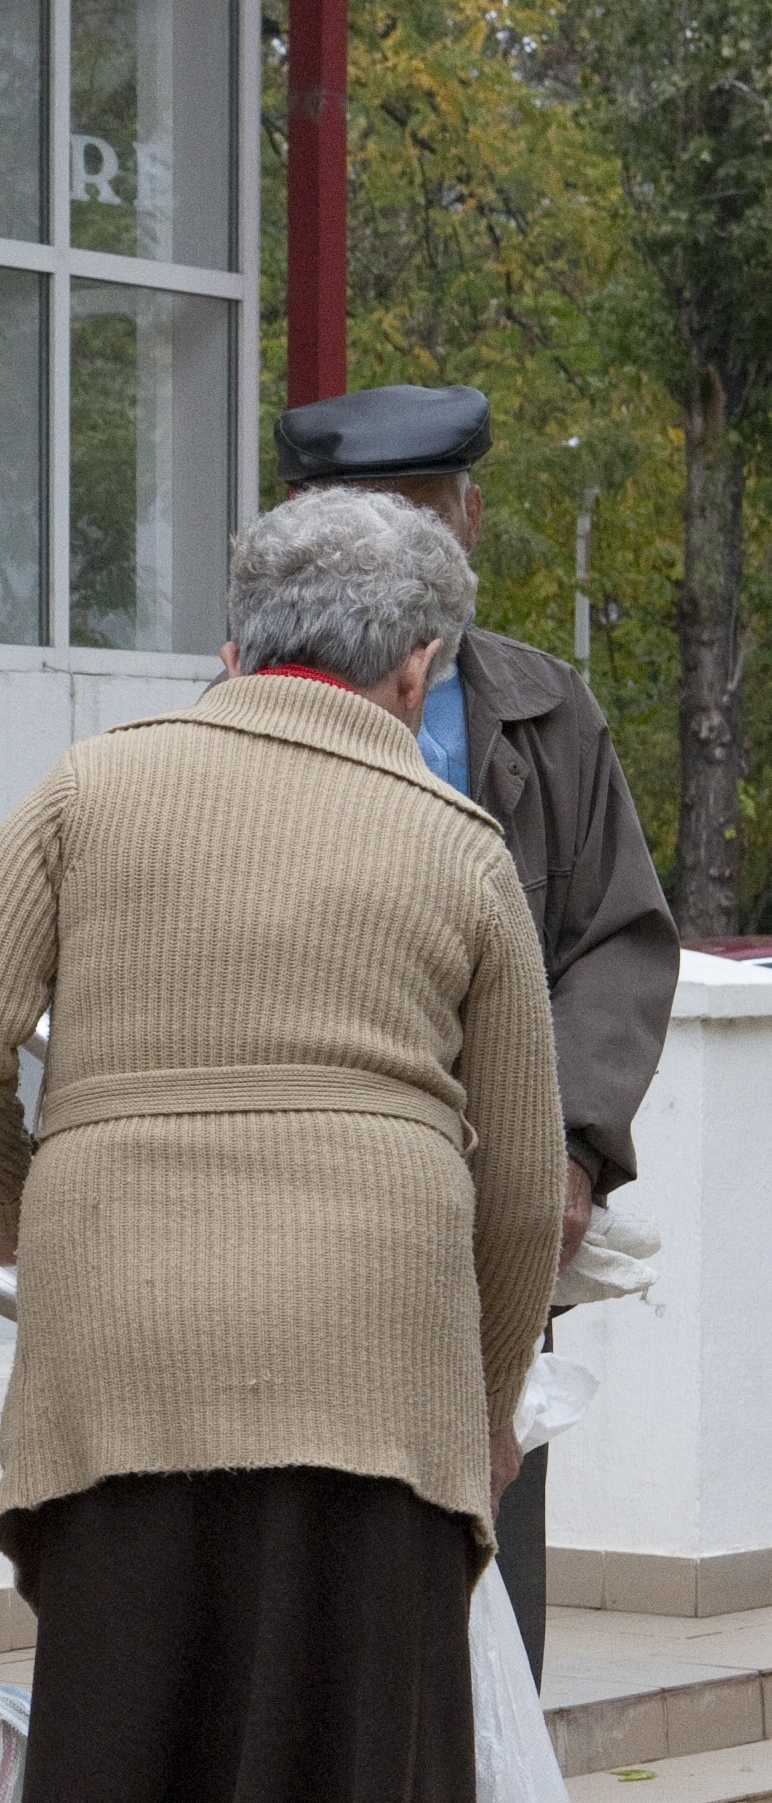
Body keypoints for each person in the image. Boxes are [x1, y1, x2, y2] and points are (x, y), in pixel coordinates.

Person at [0, 490, 564, 1803]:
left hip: (122, 1342)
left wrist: (40, 1219)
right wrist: (483, 1400)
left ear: (232, 632)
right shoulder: (450, 841)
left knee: (129, 1742)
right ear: (416, 667)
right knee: (377, 1772)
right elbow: (518, 1186)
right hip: (371, 1349)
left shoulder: (90, 789)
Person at [276, 384, 680, 1677]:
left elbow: (618, 934)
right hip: (303, 1204)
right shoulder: (245, 703)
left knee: (488, 1560)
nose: (404, 549)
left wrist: (562, 1141)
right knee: (321, 1559)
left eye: (425, 517)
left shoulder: (540, 708)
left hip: (493, 1217)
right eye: (370, 523)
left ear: (468, 521)